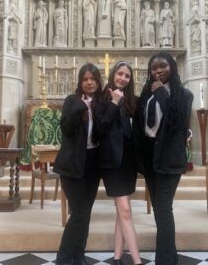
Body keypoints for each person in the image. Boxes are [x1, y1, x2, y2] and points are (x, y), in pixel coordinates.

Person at [134, 51, 193, 265]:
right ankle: (171, 257)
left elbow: (177, 123)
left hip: (169, 160)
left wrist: (160, 94)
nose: (158, 71)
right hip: (151, 160)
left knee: (164, 209)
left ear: (172, 68)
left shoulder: (184, 95)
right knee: (160, 211)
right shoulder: (147, 95)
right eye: (154, 68)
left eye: (163, 66)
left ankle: (165, 261)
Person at [54, 63, 103, 265]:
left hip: (92, 165)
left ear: (99, 82)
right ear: (80, 82)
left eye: (93, 79)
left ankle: (78, 255)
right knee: (80, 212)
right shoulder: (72, 101)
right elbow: (65, 128)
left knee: (85, 213)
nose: (89, 82)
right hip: (72, 165)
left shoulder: (102, 103)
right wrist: (80, 107)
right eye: (85, 79)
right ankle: (64, 257)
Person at [95, 61, 143, 265]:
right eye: (120, 74)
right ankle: (137, 260)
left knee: (121, 211)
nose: (123, 78)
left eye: (127, 76)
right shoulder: (102, 98)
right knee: (125, 210)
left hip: (128, 163)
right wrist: (114, 103)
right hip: (111, 162)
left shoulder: (132, 101)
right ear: (113, 74)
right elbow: (100, 129)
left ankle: (117, 256)